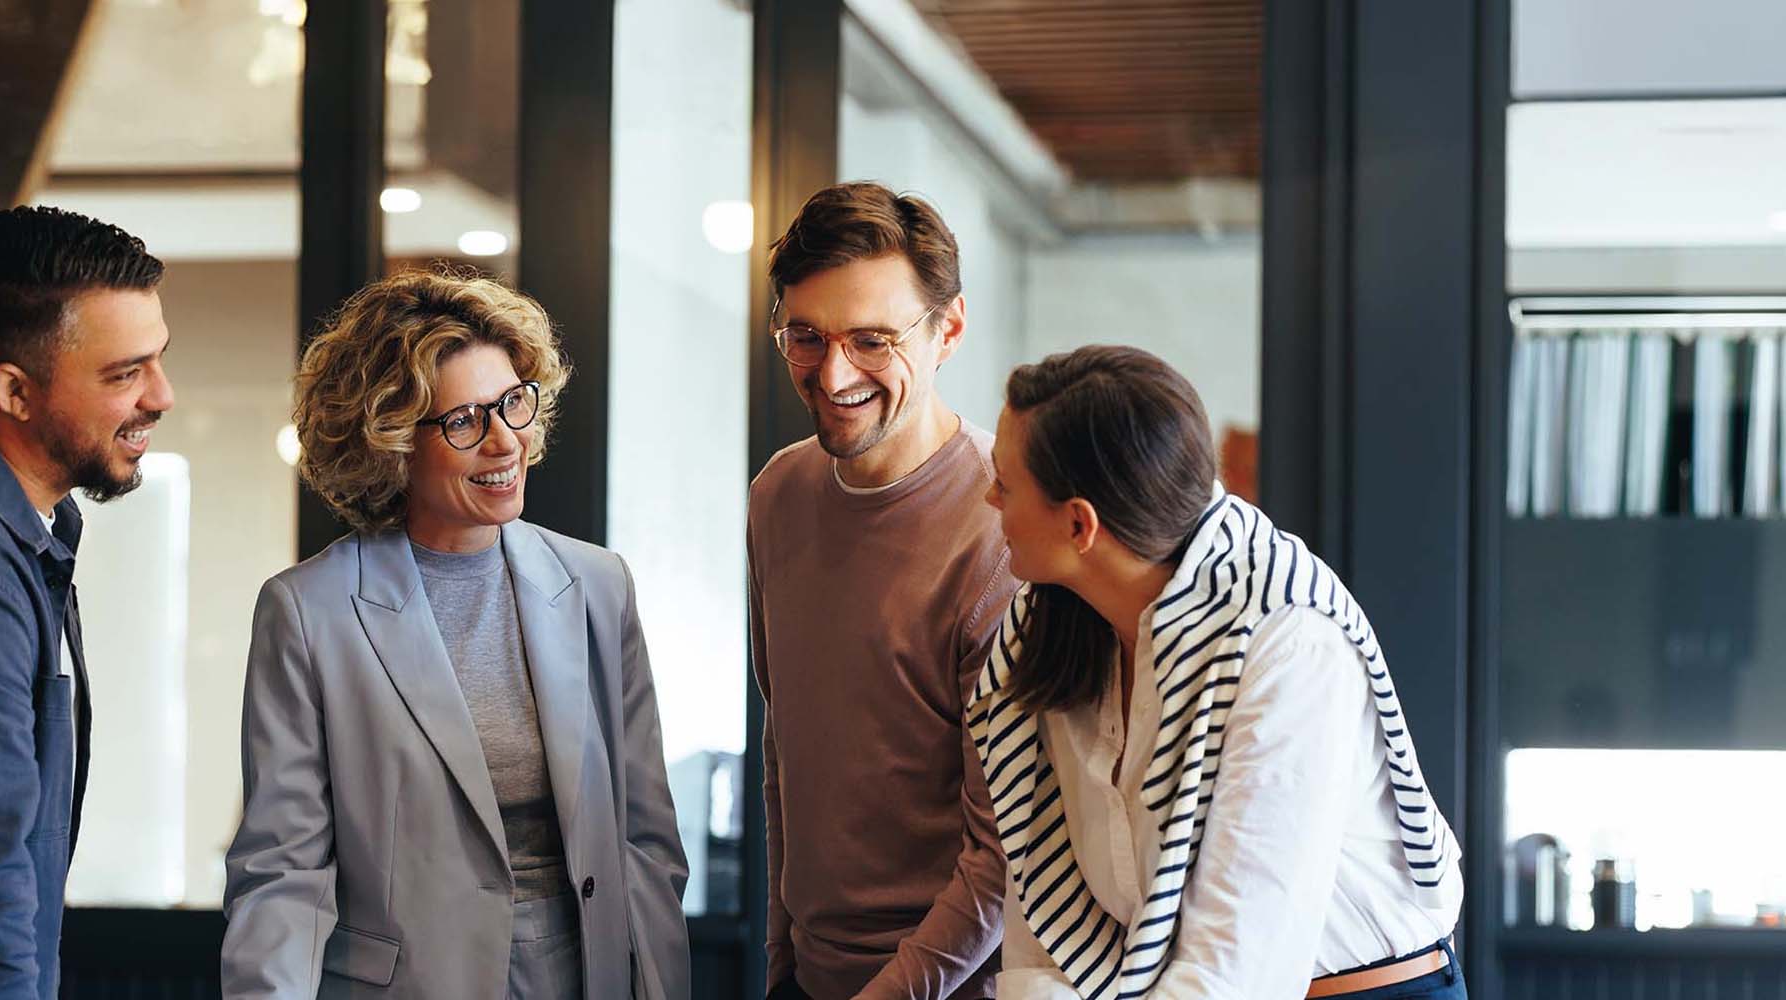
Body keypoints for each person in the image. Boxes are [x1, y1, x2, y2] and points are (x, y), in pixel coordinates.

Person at [219, 269, 688, 999]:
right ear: (394, 442)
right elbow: (283, 873)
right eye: (466, 420)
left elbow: (648, 845)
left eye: (513, 404)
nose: (505, 442)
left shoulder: (598, 585)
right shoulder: (309, 612)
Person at [973, 345, 1466, 1000]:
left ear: (1079, 523)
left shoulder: (1287, 642)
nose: (988, 496)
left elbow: (1241, 971)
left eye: (1006, 483)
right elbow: (1043, 904)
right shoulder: (1053, 628)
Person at [0, 206, 172, 997]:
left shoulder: (7, 517)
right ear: (14, 391)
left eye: (158, 360)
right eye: (125, 373)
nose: (163, 395)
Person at [748, 182, 1017, 1000]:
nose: (834, 374)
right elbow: (784, 748)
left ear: (950, 330)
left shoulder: (1004, 526)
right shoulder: (778, 494)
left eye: (872, 340)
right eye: (806, 336)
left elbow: (1004, 850)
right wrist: (781, 960)